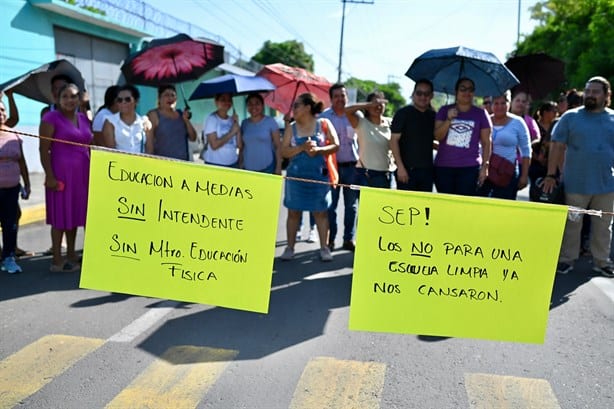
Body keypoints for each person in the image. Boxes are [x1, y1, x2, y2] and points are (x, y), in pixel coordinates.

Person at [542, 76, 614, 277]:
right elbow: (556, 146)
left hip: (606, 185)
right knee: (572, 224)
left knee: (603, 226)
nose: (590, 95)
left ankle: (602, 261)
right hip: (575, 184)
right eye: (588, 91)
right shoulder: (570, 117)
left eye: (596, 92)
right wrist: (550, 174)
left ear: (607, 95)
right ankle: (566, 260)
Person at [39, 83, 92, 272]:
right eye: (66, 96)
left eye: (74, 96)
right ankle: (56, 260)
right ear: (58, 99)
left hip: (82, 176)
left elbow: (90, 145)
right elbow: (44, 149)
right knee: (60, 217)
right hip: (60, 174)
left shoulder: (83, 118)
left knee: (74, 214)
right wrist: (50, 176)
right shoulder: (50, 118)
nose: (70, 100)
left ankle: (71, 253)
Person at [280, 93, 339, 262]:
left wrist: (319, 150)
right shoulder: (291, 127)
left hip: (318, 177)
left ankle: (324, 248)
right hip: (295, 177)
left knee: (321, 213)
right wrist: (301, 148)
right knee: (293, 213)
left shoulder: (324, 124)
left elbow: (336, 145)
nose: (294, 109)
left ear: (307, 107)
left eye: (296, 105)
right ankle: (289, 248)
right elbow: (283, 151)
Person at [433, 77, 492, 195]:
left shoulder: (480, 114)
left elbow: (487, 142)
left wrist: (485, 167)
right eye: (463, 89)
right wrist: (448, 120)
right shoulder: (444, 111)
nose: (466, 93)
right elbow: (437, 136)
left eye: (470, 90)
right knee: (446, 206)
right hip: (444, 167)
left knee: (463, 207)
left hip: (469, 168)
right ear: (456, 92)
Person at [320, 83, 359, 251]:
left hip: (352, 167)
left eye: (342, 96)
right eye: (336, 96)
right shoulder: (324, 118)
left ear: (347, 97)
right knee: (331, 206)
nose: (340, 99)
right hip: (331, 169)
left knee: (351, 206)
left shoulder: (355, 115)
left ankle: (348, 239)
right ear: (331, 99)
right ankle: (330, 239)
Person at [477, 92, 531, 200]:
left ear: (509, 103)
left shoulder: (518, 123)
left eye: (503, 103)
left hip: (506, 173)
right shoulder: (485, 121)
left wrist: (524, 176)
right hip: (484, 171)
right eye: (496, 103)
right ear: (491, 105)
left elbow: (526, 151)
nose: (500, 106)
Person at [0, 90, 34, 258]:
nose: (1, 114)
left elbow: (22, 160)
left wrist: (10, 96)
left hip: (12, 187)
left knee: (14, 216)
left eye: (2, 110)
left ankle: (11, 248)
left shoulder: (11, 132)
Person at [390, 79, 436, 192]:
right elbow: (393, 141)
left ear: (431, 96)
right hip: (406, 170)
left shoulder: (434, 116)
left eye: (426, 94)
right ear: (413, 94)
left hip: (427, 171)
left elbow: (432, 140)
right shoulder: (403, 113)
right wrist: (400, 167)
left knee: (425, 208)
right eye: (419, 93)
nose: (422, 97)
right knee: (405, 207)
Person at [345, 91, 393, 188]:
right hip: (367, 174)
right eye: (374, 103)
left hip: (386, 173)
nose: (378, 106)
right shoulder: (361, 123)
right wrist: (369, 104)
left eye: (381, 103)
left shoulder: (390, 122)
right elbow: (347, 110)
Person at [147, 84, 197, 161]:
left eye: (173, 95)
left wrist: (186, 121)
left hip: (183, 163)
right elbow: (149, 144)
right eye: (166, 95)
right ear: (159, 99)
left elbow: (193, 138)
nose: (170, 98)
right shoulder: (154, 115)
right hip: (163, 163)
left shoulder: (182, 114)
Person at [102, 84, 153, 154]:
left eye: (127, 99)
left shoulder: (143, 122)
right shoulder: (110, 122)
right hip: (120, 163)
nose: (123, 102)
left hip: (141, 163)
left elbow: (149, 149)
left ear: (136, 101)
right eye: (119, 100)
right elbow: (111, 150)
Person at [240, 93, 281, 174]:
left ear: (262, 106)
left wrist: (278, 167)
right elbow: (242, 147)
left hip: (267, 167)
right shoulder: (244, 123)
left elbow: (278, 146)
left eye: (257, 103)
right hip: (248, 168)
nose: (253, 107)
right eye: (250, 104)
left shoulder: (270, 121)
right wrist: (240, 163)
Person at [202, 92, 241, 167]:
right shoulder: (212, 119)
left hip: (233, 163)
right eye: (223, 100)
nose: (227, 102)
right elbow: (214, 145)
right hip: (216, 164)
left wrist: (237, 125)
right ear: (216, 102)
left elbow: (239, 145)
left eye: (229, 100)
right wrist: (231, 132)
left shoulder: (232, 120)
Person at [528, 101, 558, 187]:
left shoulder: (555, 126)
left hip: (550, 164)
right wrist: (538, 158)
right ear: (545, 112)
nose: (556, 114)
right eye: (554, 111)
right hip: (535, 163)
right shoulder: (535, 125)